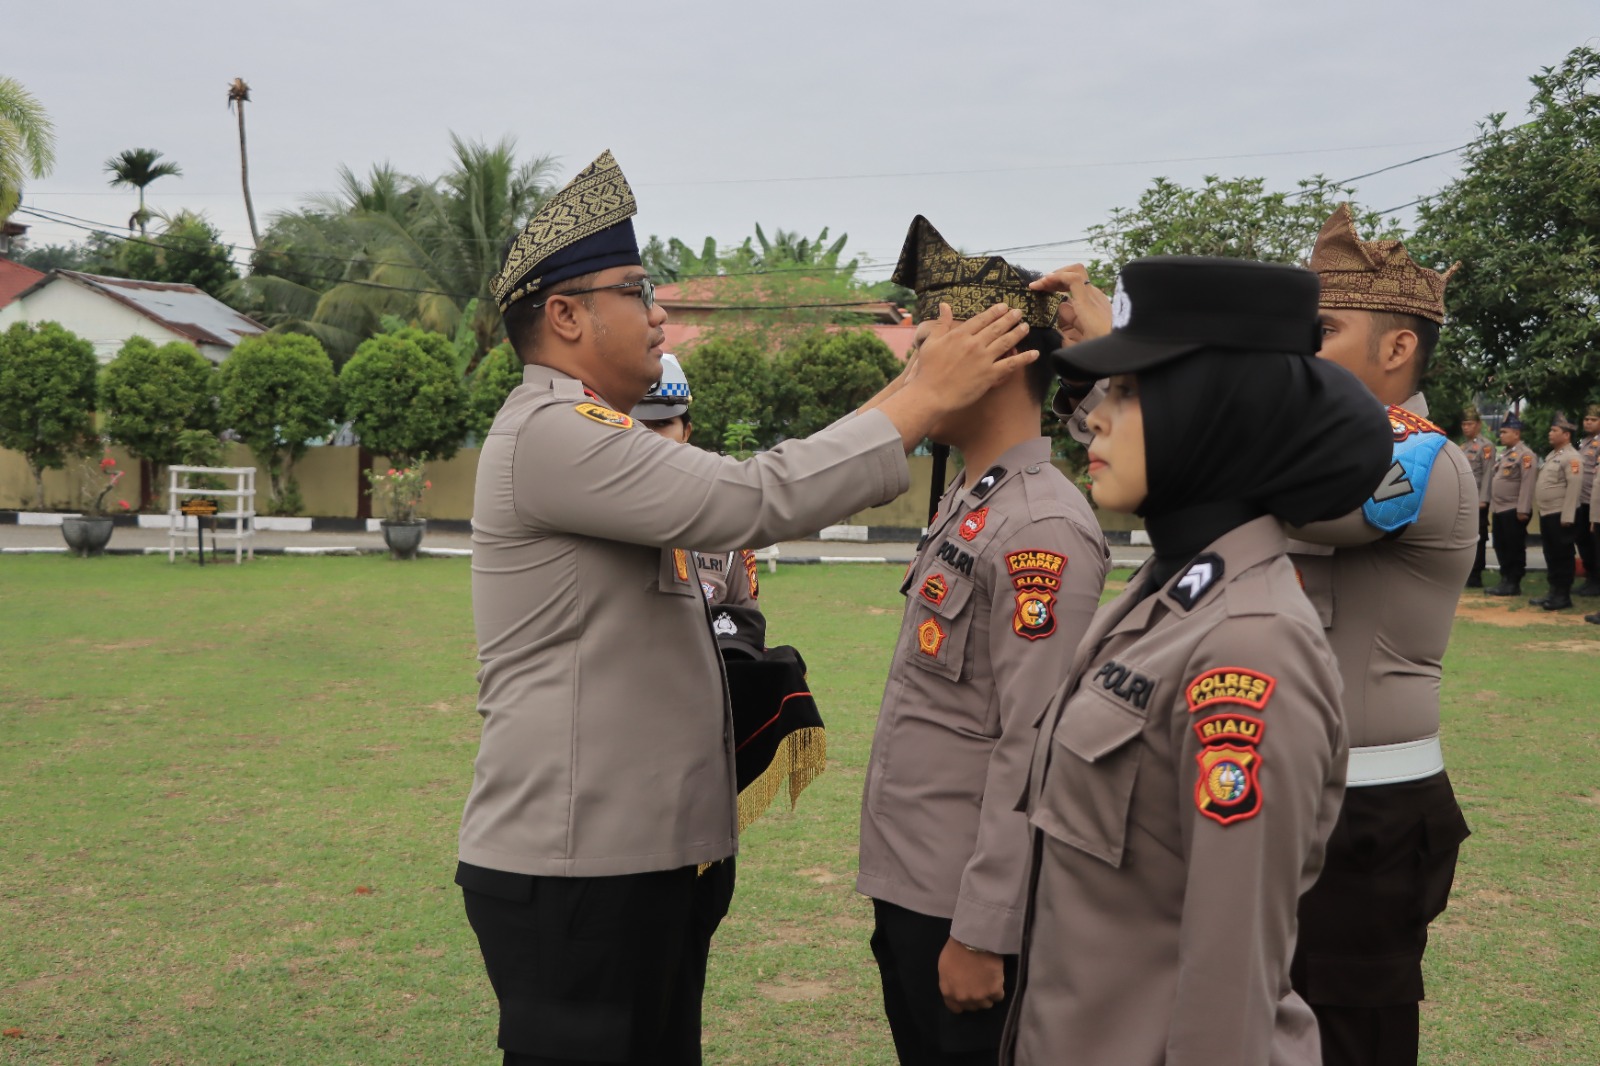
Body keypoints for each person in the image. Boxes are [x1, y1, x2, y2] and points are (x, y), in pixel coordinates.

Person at [457, 149, 1040, 1066]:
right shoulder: (553, 434)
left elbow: (760, 484)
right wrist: (924, 396)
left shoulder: (591, 432)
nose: (659, 316)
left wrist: (914, 385)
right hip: (578, 874)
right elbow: (748, 499)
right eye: (636, 291)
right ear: (566, 315)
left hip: (633, 861)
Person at [1000, 255, 1393, 1065]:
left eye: (1133, 390)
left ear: (1214, 410)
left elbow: (1229, 984)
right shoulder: (1164, 595)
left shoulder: (1249, 643)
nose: (1096, 418)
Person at [855, 216, 1109, 1066]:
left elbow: (1033, 744)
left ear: (998, 362)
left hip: (961, 902)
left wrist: (986, 929)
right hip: (917, 881)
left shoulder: (1041, 524)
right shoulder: (974, 498)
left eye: (929, 349)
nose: (911, 372)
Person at [1286, 203, 1475, 1066]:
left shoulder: (1419, 455)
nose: (1296, 351)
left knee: (1354, 1036)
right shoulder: (1314, 443)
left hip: (1370, 811)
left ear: (1396, 349)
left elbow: (1307, 504)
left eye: (1319, 331)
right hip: (1290, 790)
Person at [1530, 412, 1584, 611]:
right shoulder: (1554, 455)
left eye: (1555, 430)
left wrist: (1568, 516)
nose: (1550, 433)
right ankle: (1553, 592)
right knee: (1551, 553)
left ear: (1566, 435)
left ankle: (1563, 595)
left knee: (1562, 555)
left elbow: (1574, 486)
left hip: (1561, 514)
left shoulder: (1572, 457)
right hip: (1548, 513)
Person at [1487, 415, 1538, 597]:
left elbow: (1527, 482)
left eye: (1504, 432)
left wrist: (1523, 508)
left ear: (1516, 433)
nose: (1501, 435)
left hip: (1514, 509)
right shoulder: (1506, 454)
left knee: (1513, 547)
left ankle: (1514, 581)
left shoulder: (1526, 455)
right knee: (1501, 545)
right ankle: (1505, 579)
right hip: (1500, 508)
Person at [1459, 406, 1496, 588]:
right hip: (1464, 500)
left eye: (1470, 424)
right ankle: (1466, 571)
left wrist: (1484, 499)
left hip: (1478, 500)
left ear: (1478, 425)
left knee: (1478, 536)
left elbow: (1488, 474)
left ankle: (1476, 574)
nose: (1466, 427)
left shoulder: (1486, 446)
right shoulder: (1463, 447)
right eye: (1464, 424)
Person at [1574, 404, 1600, 597]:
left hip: (1594, 502)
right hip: (1581, 500)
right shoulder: (1584, 443)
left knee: (1594, 543)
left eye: (1593, 420)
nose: (1588, 422)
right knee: (1582, 540)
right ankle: (1590, 577)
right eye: (1586, 419)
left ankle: (1596, 581)